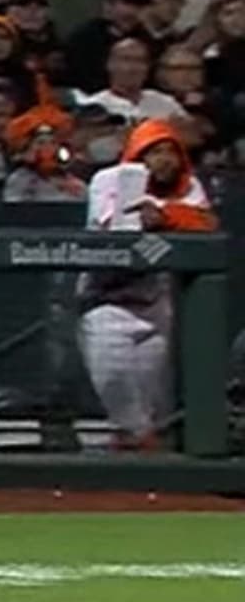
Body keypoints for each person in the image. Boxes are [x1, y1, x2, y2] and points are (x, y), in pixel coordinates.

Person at [79, 118, 216, 450]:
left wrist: (164, 216)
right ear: (137, 153)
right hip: (106, 302)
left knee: (151, 412)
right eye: (155, 151)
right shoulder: (108, 179)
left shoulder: (189, 187)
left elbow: (206, 223)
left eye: (171, 151)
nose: (165, 159)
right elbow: (112, 227)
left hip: (154, 305)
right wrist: (146, 215)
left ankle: (144, 485)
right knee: (121, 399)